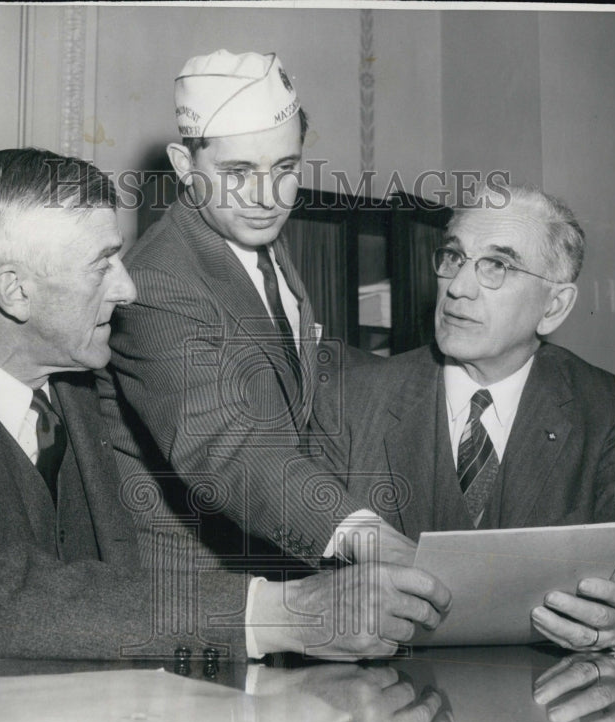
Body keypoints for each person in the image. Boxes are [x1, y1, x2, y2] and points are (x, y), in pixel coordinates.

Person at [0, 147, 449, 664]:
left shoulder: (83, 387)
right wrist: (281, 614)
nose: (129, 286)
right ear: (15, 292)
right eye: (103, 263)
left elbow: (224, 448)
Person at [313, 184, 615, 649]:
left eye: (498, 266)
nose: (458, 288)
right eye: (454, 258)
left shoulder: (611, 409)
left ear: (553, 307)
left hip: (548, 704)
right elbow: (301, 572)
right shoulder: (351, 398)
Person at [105, 50, 410, 571]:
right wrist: (359, 533)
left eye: (286, 167)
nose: (268, 196)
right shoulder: (157, 281)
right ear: (185, 166)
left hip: (274, 555)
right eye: (238, 171)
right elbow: (231, 447)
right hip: (197, 590)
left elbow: (292, 380)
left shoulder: (250, 238)